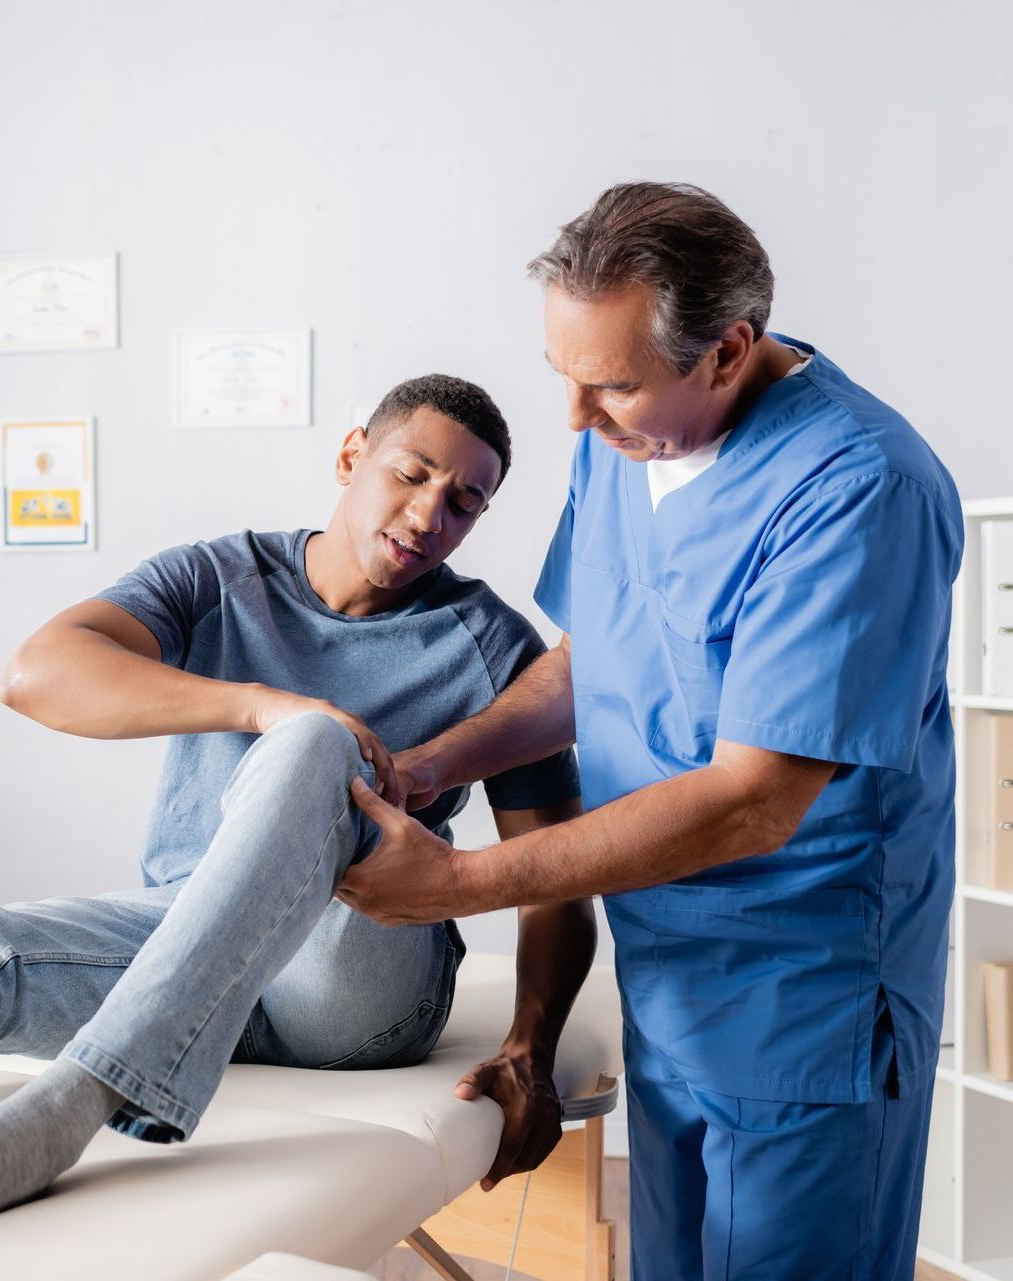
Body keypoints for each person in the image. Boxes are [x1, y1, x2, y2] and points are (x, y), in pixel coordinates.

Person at [339, 185, 964, 1280]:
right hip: (667, 975)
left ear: (727, 351)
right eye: (565, 380)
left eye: (612, 385)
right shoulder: (623, 435)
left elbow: (753, 798)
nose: (577, 418)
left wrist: (454, 883)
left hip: (798, 998)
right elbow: (596, 659)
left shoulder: (857, 489)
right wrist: (433, 764)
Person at [0, 373, 592, 1217]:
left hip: (351, 984)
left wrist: (530, 1049)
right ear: (352, 455)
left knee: (319, 743)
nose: (429, 517)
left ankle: (79, 1100)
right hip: (187, 934)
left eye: (463, 502)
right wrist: (260, 702)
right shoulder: (220, 575)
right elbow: (33, 675)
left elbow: (555, 880)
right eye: (411, 474)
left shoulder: (491, 644)